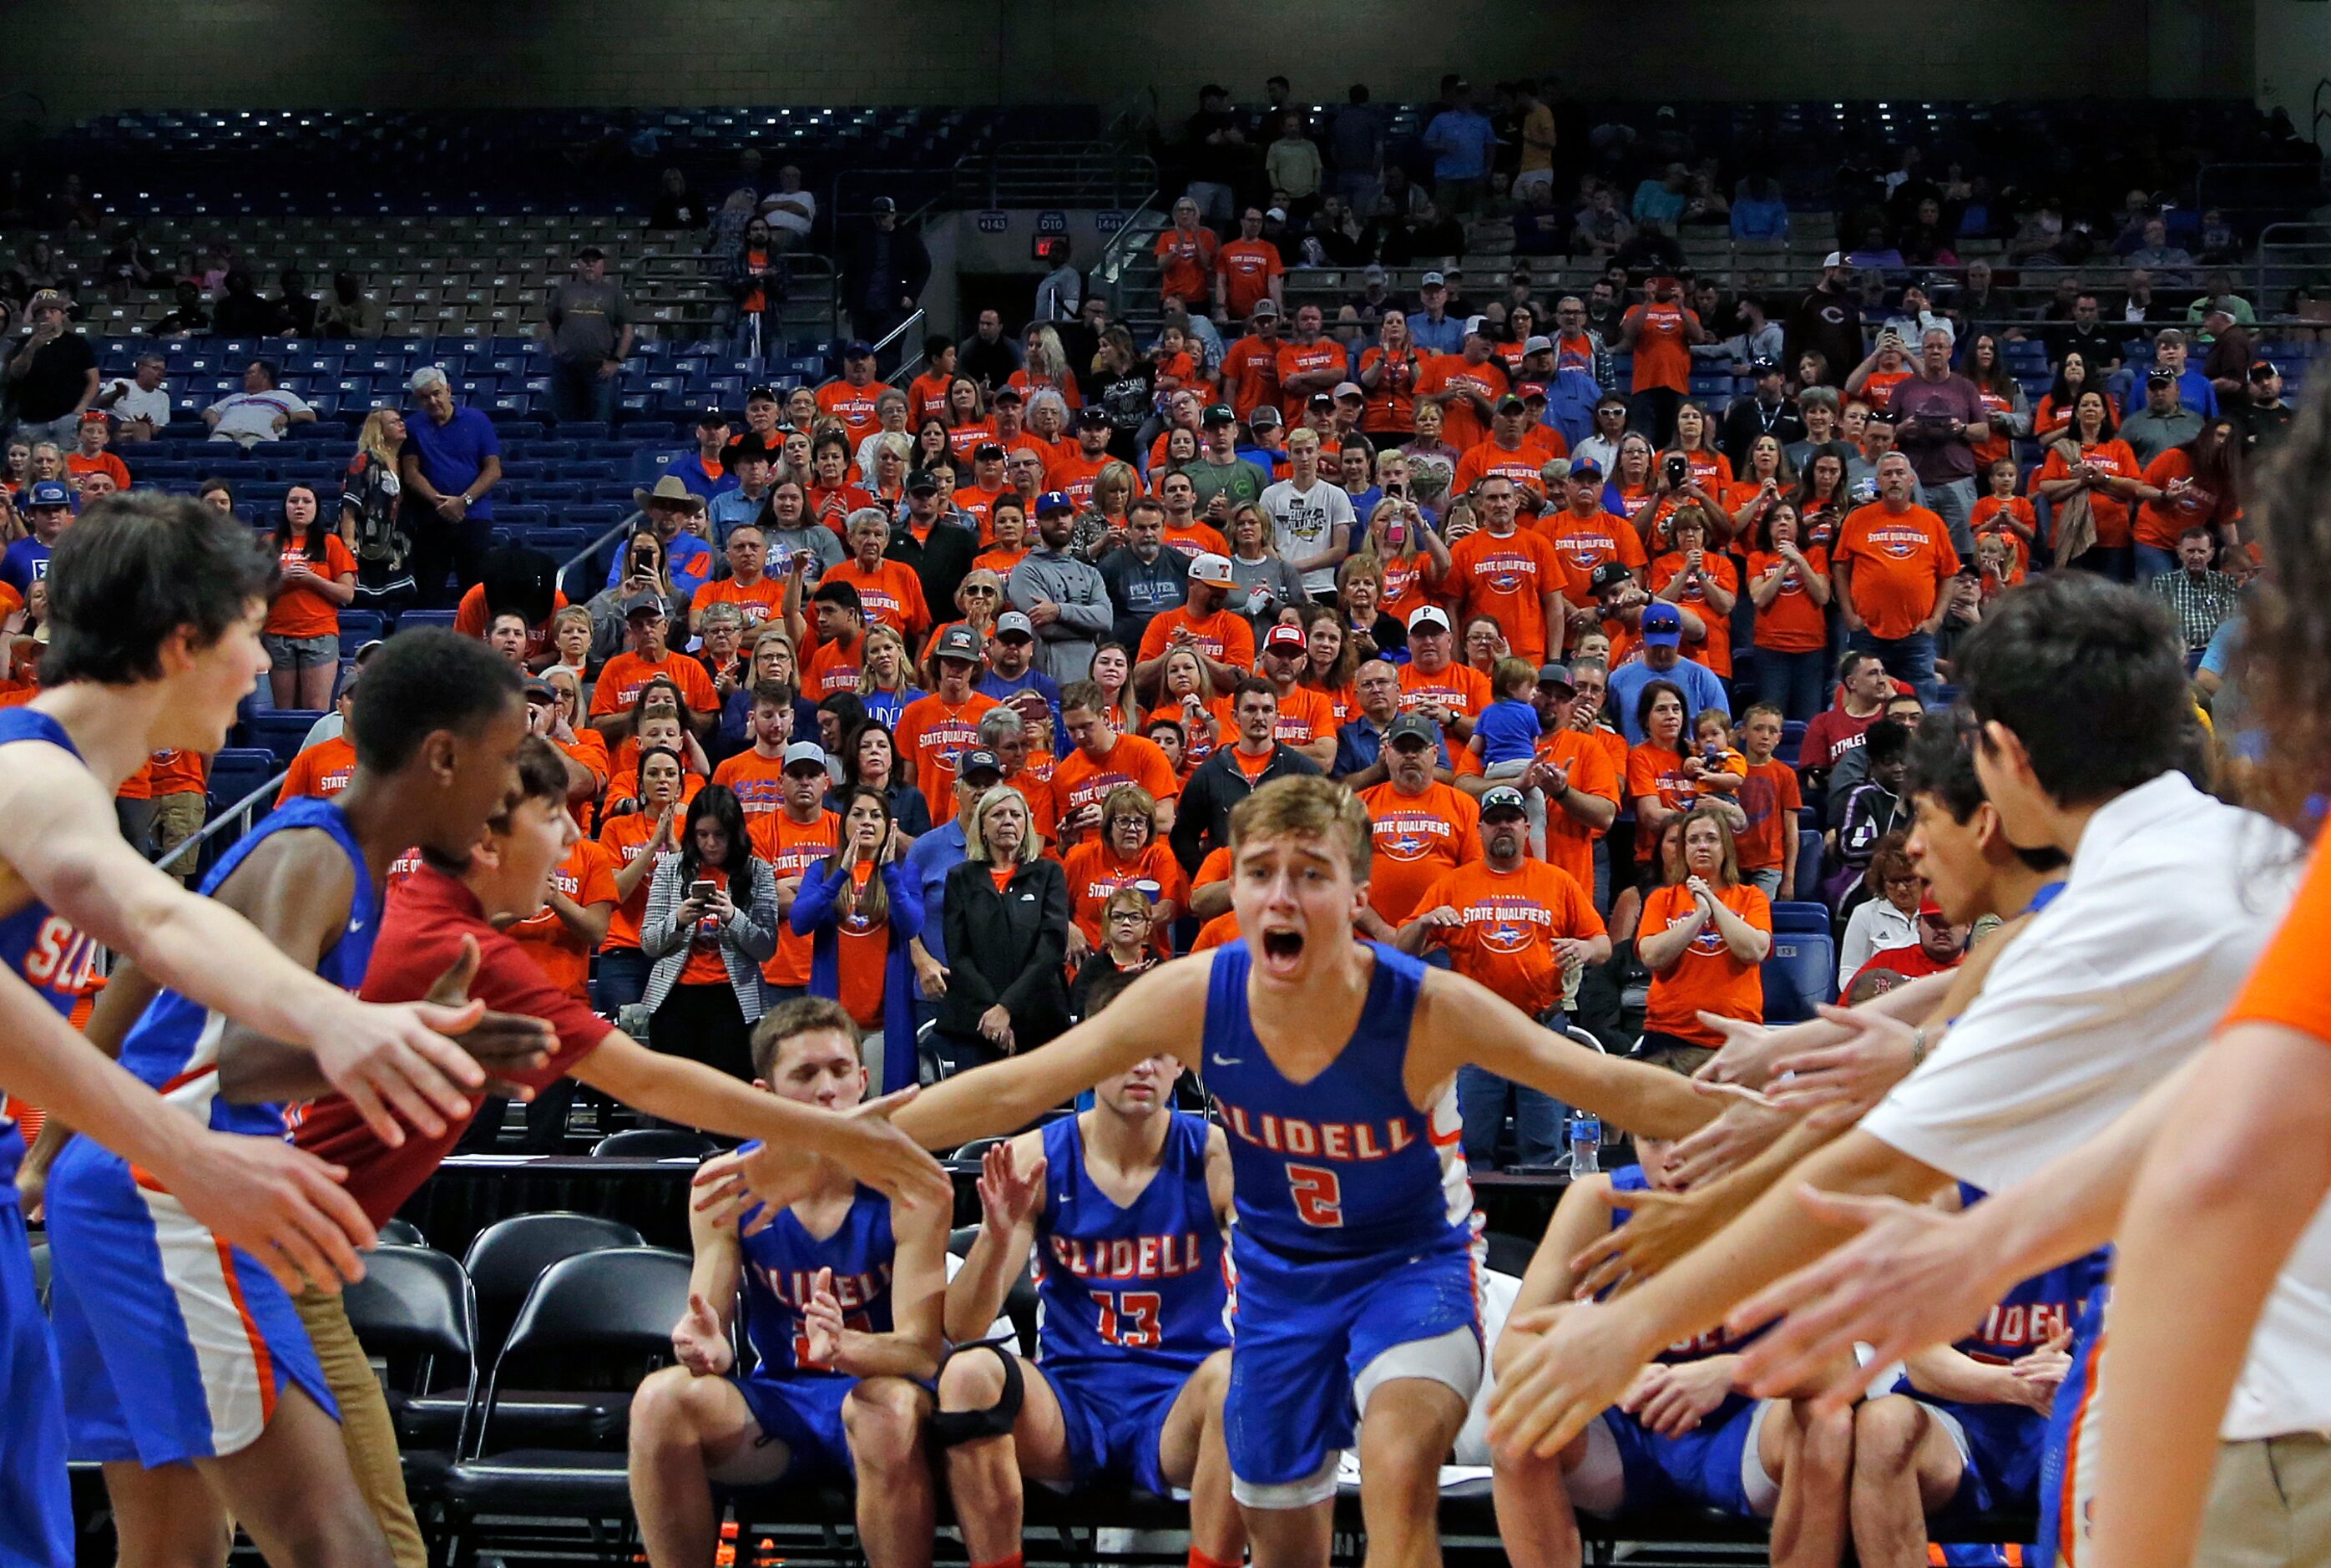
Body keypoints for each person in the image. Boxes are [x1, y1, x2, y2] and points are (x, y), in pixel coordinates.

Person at [691, 776, 1722, 1568]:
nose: (1281, 892)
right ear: (1232, 883)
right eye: (1260, 869)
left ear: (1355, 894)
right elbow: (1013, 1090)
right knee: (1284, 1536)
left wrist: (1800, 1110)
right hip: (1278, 1285)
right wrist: (826, 1137)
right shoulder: (1193, 993)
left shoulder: (1424, 1005)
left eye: (1309, 872)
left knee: (1403, 1455)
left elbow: (1629, 1093)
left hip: (1408, 1267)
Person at [1483, 577, 2291, 1568]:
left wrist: (1631, 1327)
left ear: (2000, 758)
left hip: (2247, 1396)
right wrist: (1865, 1054)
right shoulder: (2239, 851)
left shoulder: (2100, 922)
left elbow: (1881, 1160)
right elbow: (2017, 985)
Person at [0, 508, 528, 1568]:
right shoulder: (36, 777)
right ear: (181, 643)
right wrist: (324, 1040)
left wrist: (353, 1024)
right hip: (149, 1199)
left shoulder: (75, 791)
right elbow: (155, 924)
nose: (264, 662)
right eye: (250, 628)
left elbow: (151, 947)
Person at [1489, 1050, 1849, 1568]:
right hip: (1626, 1436)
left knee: (1828, 1422)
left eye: (1688, 1134)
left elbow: (1839, 1366)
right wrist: (1616, 1370)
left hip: (1740, 1427)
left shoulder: (1780, 1204)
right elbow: (1512, 1350)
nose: (1671, 1156)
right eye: (1652, 1138)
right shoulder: (1600, 1201)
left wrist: (1730, 1374)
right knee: (1516, 1418)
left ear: (1736, 1133)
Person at [629, 996, 951, 1568]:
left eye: (839, 1070)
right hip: (779, 1401)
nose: (827, 1089)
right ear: (764, 1097)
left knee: (887, 1408)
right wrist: (706, 1343)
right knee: (661, 1400)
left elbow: (923, 1355)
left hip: (882, 1398)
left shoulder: (910, 1184)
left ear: (864, 1080)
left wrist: (853, 1348)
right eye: (805, 1074)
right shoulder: (726, 1183)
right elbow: (711, 1319)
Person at [935, 997, 1241, 1566]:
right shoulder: (1036, 1159)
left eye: (1159, 1054)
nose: (1143, 1067)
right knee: (968, 1373)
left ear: (1181, 1065)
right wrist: (997, 1236)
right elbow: (962, 1326)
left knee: (1240, 1377)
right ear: (1090, 1056)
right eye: (1125, 1050)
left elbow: (1286, 1280)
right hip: (1072, 1401)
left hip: (1180, 1402)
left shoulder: (1218, 1159)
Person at [1399, 782, 1609, 1170]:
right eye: (1494, 821)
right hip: (1477, 1034)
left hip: (1541, 1030)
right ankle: (1476, 1229)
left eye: (1511, 819)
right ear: (1480, 830)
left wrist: (1585, 949)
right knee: (1473, 1153)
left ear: (1526, 828)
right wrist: (1425, 923)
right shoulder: (1453, 883)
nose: (1503, 827)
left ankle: (1540, 1230)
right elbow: (1402, 947)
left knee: (1544, 1154)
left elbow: (1602, 943)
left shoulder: (1557, 881)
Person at [640, 782, 779, 1086]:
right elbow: (649, 943)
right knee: (673, 1106)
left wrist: (733, 917)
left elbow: (766, 947)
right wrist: (678, 920)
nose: (711, 844)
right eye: (702, 835)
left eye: (720, 835)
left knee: (731, 1106)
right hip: (675, 999)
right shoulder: (670, 869)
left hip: (733, 1001)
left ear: (735, 834)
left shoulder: (758, 872)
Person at [794, 785, 923, 1095]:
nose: (867, 822)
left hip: (885, 1025)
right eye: (858, 814)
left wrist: (889, 871)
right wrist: (841, 874)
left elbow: (911, 924)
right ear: (844, 823)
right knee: (836, 1111)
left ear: (888, 826)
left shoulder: (905, 872)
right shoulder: (822, 870)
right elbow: (800, 922)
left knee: (879, 1114)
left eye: (876, 816)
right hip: (835, 1024)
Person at [934, 784, 1070, 1073]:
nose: (1007, 821)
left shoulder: (1049, 875)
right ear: (982, 826)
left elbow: (1051, 949)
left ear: (1027, 825)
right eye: (997, 814)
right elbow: (958, 955)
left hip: (1038, 1021)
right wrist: (993, 1012)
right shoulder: (960, 878)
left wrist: (1007, 1007)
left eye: (1015, 815)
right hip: (977, 1022)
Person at [1632, 804, 1772, 1060]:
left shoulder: (1752, 897)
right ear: (1683, 850)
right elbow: (1652, 956)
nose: (1702, 846)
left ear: (1725, 847)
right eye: (1693, 840)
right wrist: (1699, 916)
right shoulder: (1662, 899)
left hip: (1737, 1036)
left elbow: (1753, 950)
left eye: (1711, 838)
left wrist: (1711, 900)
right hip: (1669, 1035)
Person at [1833, 453, 1957, 701]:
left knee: (1921, 708)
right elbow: (1840, 568)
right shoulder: (1858, 519)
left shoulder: (1932, 522)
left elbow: (1949, 574)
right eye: (1888, 474)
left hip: (1917, 636)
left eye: (1900, 473)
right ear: (1878, 481)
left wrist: (1936, 619)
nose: (1894, 479)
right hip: (1867, 633)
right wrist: (1848, 614)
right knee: (1862, 706)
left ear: (1912, 480)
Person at [400, 367, 503, 609]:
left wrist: (463, 501)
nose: (432, 401)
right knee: (429, 592)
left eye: (436, 393)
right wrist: (440, 503)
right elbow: (411, 472)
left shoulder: (478, 420)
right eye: (425, 397)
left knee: (476, 592)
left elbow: (493, 469)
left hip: (474, 517)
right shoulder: (412, 427)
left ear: (448, 390)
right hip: (430, 520)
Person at [1605, 602, 1729, 745]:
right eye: (1656, 647)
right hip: (1638, 762)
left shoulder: (1702, 678)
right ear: (1642, 635)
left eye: (1667, 646)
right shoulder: (1619, 679)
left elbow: (1722, 730)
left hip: (1690, 763)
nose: (1662, 654)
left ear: (1680, 634)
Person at [542, 246, 634, 426]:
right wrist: (555, 354)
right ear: (579, 264)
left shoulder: (614, 293)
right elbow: (548, 326)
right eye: (586, 261)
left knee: (600, 423)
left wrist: (616, 360)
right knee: (566, 424)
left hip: (601, 371)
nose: (590, 265)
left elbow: (628, 331)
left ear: (602, 265)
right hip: (566, 369)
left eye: (595, 261)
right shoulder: (563, 291)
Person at [9, 290, 99, 446]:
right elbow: (16, 373)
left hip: (67, 418)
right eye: (41, 312)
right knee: (34, 465)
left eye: (53, 311)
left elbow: (93, 379)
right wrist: (31, 347)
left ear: (62, 315)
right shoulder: (24, 343)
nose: (47, 315)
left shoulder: (77, 344)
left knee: (68, 464)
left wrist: (81, 407)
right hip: (32, 420)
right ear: (36, 317)